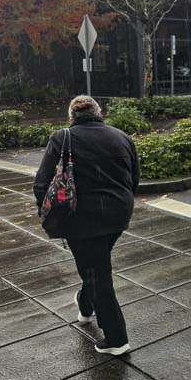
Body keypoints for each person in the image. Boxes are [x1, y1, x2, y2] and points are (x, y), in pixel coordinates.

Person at [34, 95, 140, 356]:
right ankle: (85, 305)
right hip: (118, 215)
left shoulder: (61, 138)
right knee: (96, 267)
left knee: (97, 274)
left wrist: (48, 214)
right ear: (99, 112)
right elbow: (134, 178)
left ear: (72, 116)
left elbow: (42, 183)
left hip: (80, 218)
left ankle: (116, 338)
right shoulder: (121, 136)